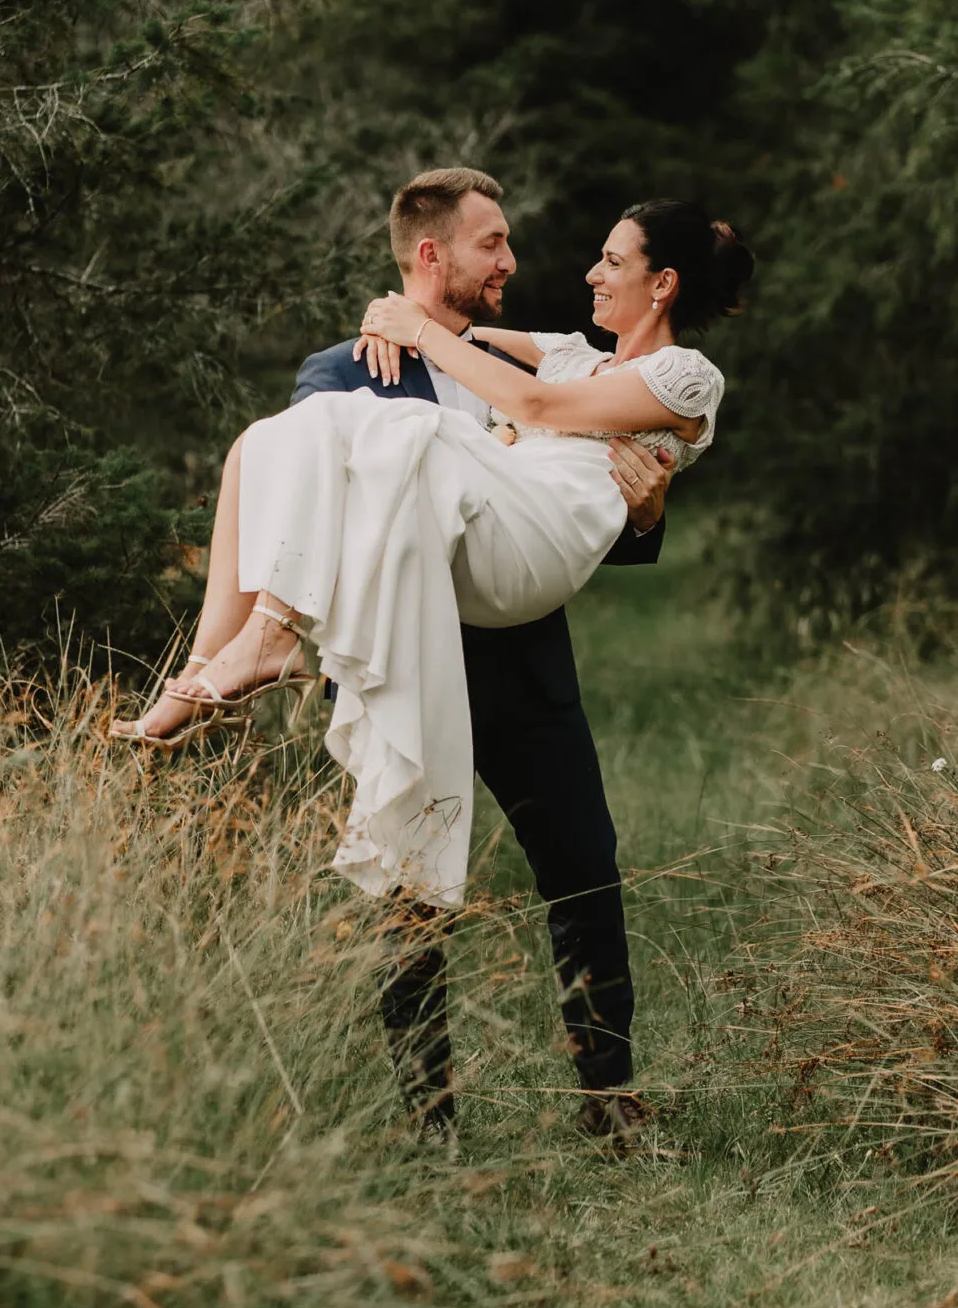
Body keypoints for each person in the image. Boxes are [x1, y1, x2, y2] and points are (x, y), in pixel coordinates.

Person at [113, 170, 753, 1145]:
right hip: (406, 641)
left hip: (520, 655)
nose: (513, 262)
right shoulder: (343, 371)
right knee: (409, 879)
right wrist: (401, 328)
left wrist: (649, 510)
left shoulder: (573, 365)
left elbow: (576, 445)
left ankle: (606, 1091)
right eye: (490, 244)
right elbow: (301, 477)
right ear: (430, 254)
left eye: (507, 245)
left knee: (583, 871)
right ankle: (430, 1115)